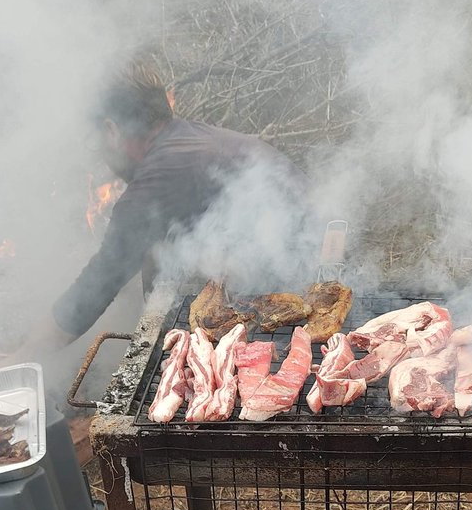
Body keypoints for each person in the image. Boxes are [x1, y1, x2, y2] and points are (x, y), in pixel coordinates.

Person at [16, 51, 314, 356]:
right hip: (308, 252)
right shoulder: (187, 139)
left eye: (97, 141)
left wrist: (21, 357)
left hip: (303, 283)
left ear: (111, 130)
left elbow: (97, 284)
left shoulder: (162, 175)